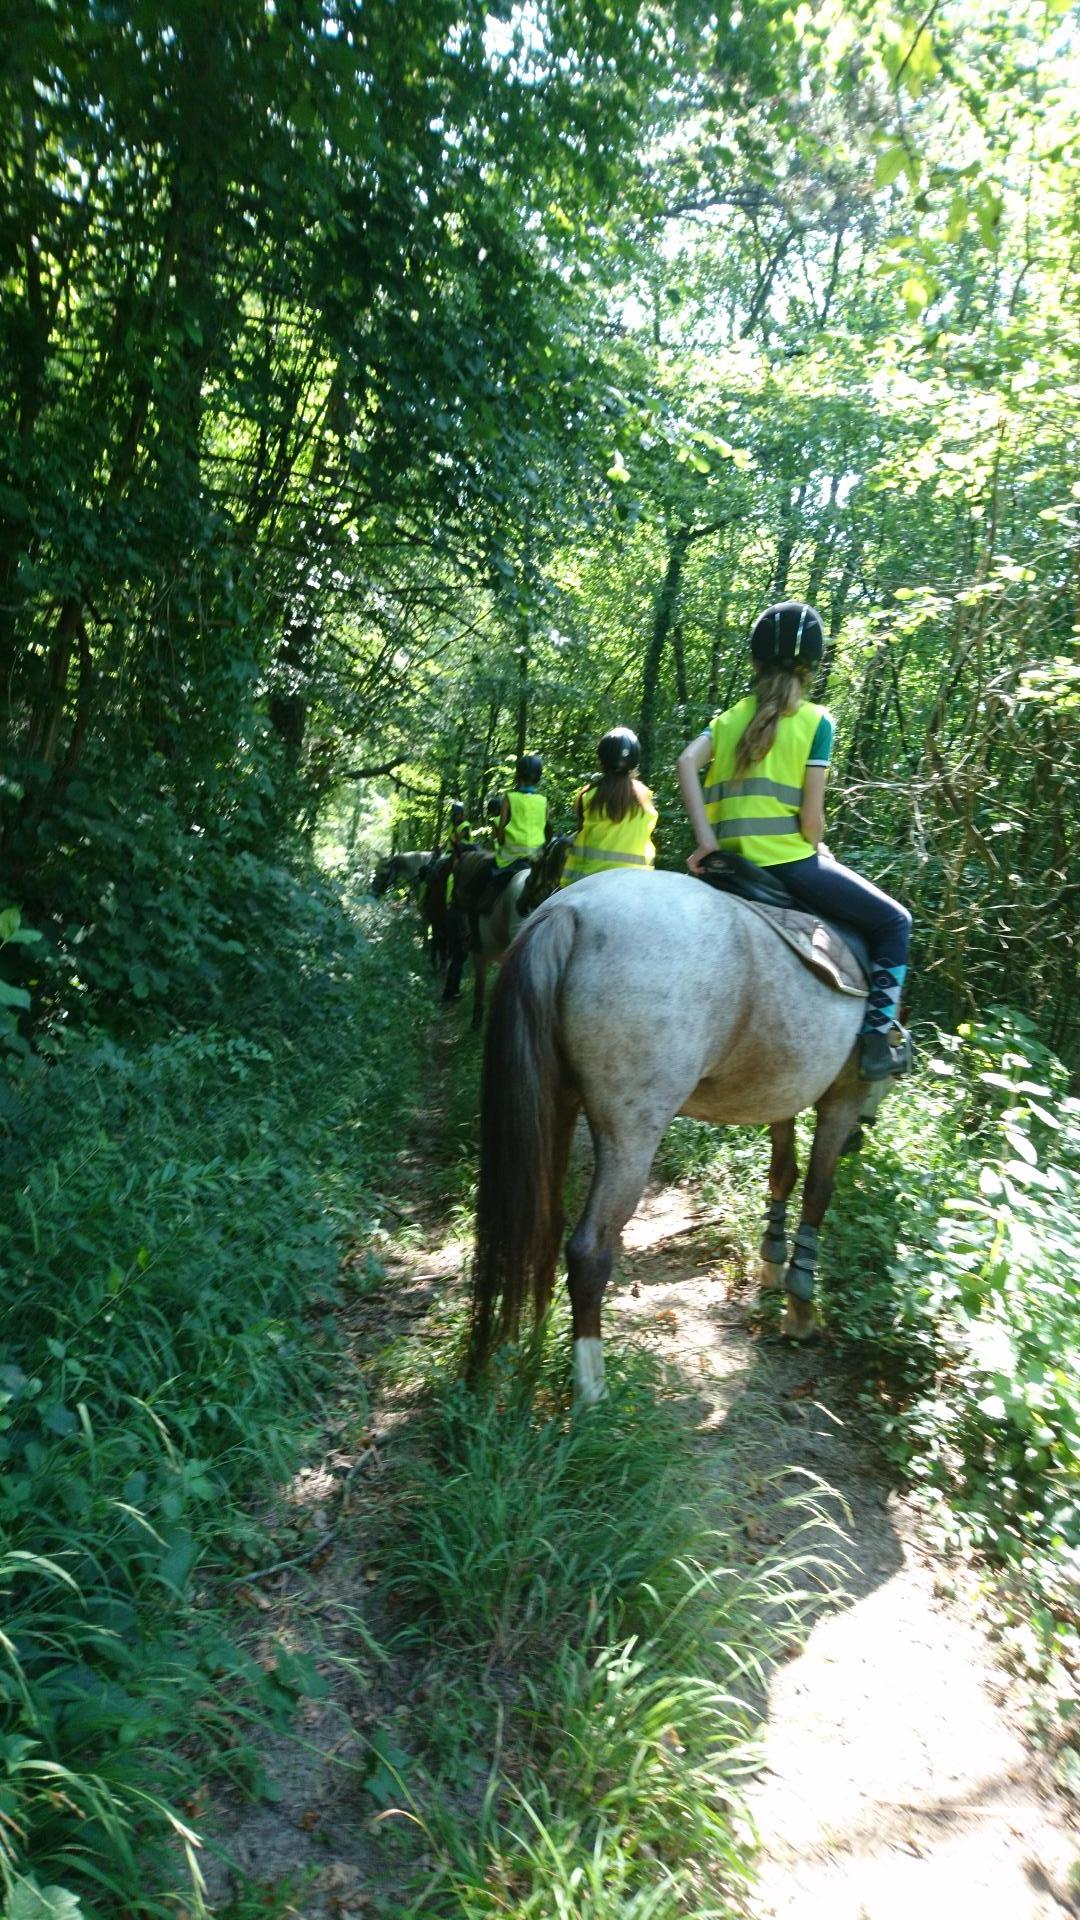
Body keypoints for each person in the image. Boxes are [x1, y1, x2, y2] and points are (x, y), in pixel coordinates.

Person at [676, 601, 911, 1081]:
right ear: (812, 667)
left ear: (755, 661)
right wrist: (818, 843)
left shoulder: (727, 720)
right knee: (895, 923)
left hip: (730, 866)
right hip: (789, 865)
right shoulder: (817, 722)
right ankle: (874, 1042)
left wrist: (707, 842)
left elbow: (684, 763)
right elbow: (810, 821)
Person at [560, 727, 657, 886]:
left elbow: (581, 835)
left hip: (589, 880)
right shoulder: (646, 797)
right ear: (634, 762)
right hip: (638, 882)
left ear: (601, 760)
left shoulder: (588, 796)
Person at [494, 753, 547, 868]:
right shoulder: (544, 802)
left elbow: (500, 835)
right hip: (537, 859)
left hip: (510, 860)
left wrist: (501, 842)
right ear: (538, 778)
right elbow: (545, 830)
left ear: (518, 776)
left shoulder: (509, 798)